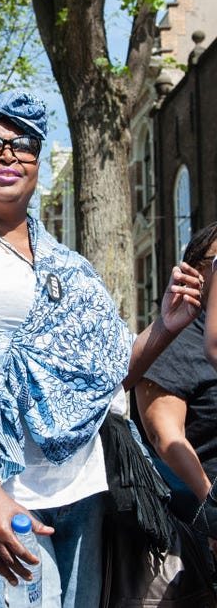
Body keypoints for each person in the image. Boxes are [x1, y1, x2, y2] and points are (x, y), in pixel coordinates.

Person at [0, 89, 203, 608]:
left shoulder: (69, 263)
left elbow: (106, 377)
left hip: (78, 487)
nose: (9, 156)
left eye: (25, 145)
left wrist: (163, 328)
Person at [134, 222, 217, 534]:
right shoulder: (175, 341)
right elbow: (165, 436)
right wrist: (211, 508)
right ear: (196, 272)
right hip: (198, 516)